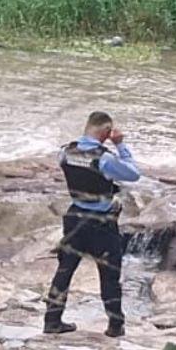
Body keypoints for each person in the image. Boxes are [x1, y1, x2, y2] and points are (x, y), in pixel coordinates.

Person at [43, 111, 141, 338]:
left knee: (64, 271)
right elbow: (134, 174)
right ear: (106, 133)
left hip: (75, 217)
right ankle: (115, 325)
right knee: (109, 274)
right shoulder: (104, 158)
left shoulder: (65, 152)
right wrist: (121, 145)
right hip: (101, 223)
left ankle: (52, 320)